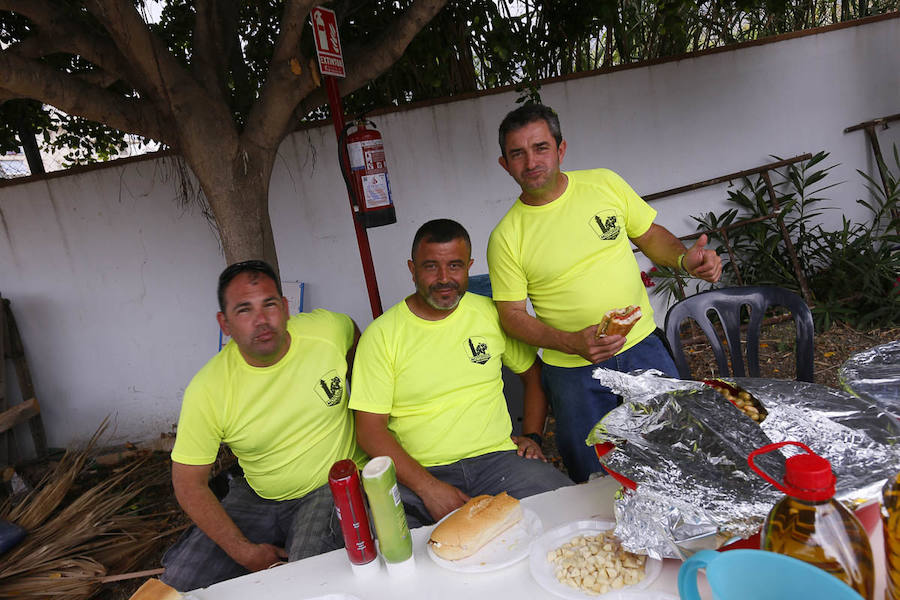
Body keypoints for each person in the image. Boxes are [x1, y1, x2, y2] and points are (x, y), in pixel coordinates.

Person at [487, 103, 723, 483]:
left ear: (561, 150)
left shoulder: (603, 184)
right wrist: (569, 342)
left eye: (540, 148)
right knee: (593, 475)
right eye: (518, 153)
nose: (531, 161)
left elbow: (648, 236)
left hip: (643, 346)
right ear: (505, 164)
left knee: (677, 450)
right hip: (572, 372)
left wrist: (684, 259)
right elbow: (511, 316)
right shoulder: (506, 237)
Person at [349, 219, 572, 528]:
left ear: (469, 266)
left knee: (567, 508)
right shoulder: (382, 335)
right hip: (420, 471)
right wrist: (428, 487)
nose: (444, 279)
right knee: (397, 546)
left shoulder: (489, 314)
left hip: (498, 461)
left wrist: (532, 435)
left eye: (454, 266)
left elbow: (533, 374)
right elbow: (369, 430)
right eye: (430, 267)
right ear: (412, 269)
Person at [161, 260, 363, 591]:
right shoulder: (209, 389)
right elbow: (188, 484)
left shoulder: (325, 331)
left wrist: (362, 398)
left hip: (327, 485)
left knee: (308, 582)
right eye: (244, 310)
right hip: (257, 493)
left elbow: (353, 336)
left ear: (285, 309)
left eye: (269, 304)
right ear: (224, 324)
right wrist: (245, 553)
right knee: (179, 582)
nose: (261, 319)